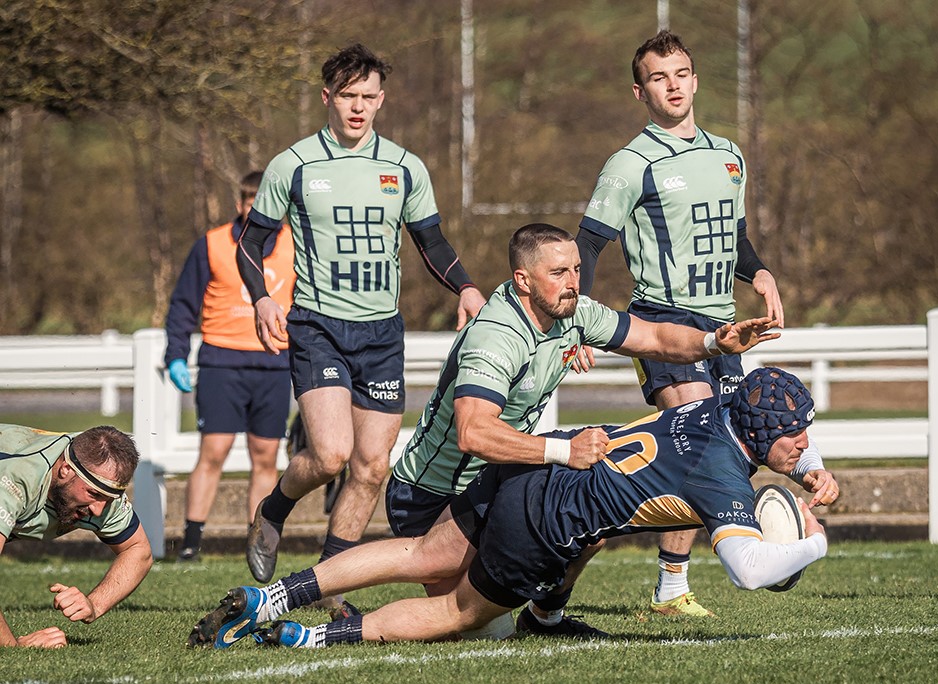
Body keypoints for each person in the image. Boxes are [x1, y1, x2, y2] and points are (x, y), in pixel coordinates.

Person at [186, 224, 781, 648]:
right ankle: (294, 617)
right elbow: (473, 432)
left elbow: (650, 337)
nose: (574, 280)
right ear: (523, 280)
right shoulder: (498, 335)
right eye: (560, 273)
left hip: (502, 476)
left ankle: (546, 616)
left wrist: (712, 343)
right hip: (432, 489)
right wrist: (561, 450)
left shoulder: (570, 309)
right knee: (459, 615)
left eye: (576, 268)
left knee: (593, 511)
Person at [188, 367, 830, 649]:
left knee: (419, 555)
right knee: (456, 613)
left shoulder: (720, 405)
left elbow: (771, 443)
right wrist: (813, 544)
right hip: (547, 524)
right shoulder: (722, 476)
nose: (805, 443)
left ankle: (271, 598)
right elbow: (748, 569)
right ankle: (312, 635)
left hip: (534, 468)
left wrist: (808, 470)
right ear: (762, 428)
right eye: (798, 432)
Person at [575, 30, 838, 617]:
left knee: (723, 442)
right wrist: (574, 325)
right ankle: (672, 582)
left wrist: (762, 274)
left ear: (695, 80)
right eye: (658, 78)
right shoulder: (628, 164)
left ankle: (668, 584)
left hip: (724, 328)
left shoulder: (729, 153)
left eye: (682, 74)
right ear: (639, 91)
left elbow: (736, 241)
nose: (673, 85)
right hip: (663, 322)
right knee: (699, 441)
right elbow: (588, 247)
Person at [235, 43, 487, 596]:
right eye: (348, 96)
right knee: (330, 456)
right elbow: (251, 243)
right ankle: (273, 510)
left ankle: (330, 589)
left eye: (369, 97)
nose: (358, 107)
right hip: (318, 326)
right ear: (327, 97)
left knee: (372, 468)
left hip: (381, 333)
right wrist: (261, 298)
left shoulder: (403, 166)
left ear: (381, 101)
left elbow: (431, 241)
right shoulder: (293, 164)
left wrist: (466, 286)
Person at [164, 170, 295, 562]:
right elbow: (183, 305)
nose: (257, 211)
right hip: (222, 362)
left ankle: (255, 541)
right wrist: (175, 354)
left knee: (265, 456)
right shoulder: (211, 244)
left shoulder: (297, 245)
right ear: (240, 204)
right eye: (250, 203)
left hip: (274, 363)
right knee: (214, 451)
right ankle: (190, 542)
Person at [0, 424, 151, 648]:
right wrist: (13, 646)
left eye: (109, 498)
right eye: (93, 494)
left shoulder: (96, 482)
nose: (99, 510)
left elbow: (138, 552)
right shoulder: (17, 479)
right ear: (66, 470)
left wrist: (94, 604)